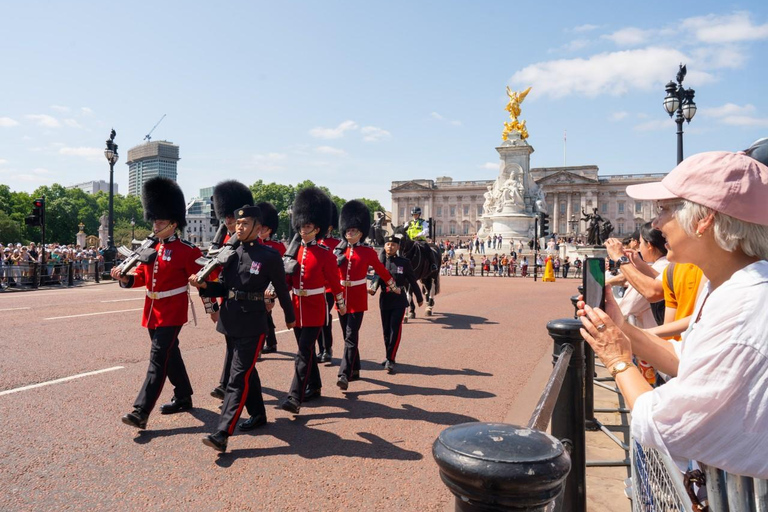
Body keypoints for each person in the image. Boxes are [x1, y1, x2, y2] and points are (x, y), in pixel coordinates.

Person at [578, 150, 768, 478]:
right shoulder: (729, 284)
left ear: (704, 219)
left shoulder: (746, 306)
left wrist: (618, 360)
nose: (655, 223)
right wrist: (621, 328)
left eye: (665, 209)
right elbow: (685, 358)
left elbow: (666, 424)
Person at [190, 205, 294, 452]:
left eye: (245, 223)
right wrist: (204, 286)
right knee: (246, 371)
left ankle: (222, 432)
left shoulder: (269, 256)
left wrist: (290, 317)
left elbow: (281, 288)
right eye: (238, 223)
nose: (239, 227)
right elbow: (222, 287)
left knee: (237, 378)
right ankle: (258, 414)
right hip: (230, 320)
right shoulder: (230, 253)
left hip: (253, 322)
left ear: (258, 228)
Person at [112, 177, 203, 430]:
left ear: (173, 224)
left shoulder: (187, 250)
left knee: (157, 358)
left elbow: (207, 278)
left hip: (172, 312)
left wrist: (212, 306)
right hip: (152, 311)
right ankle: (183, 395)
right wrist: (126, 279)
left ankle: (141, 411)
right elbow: (143, 276)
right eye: (154, 221)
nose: (156, 225)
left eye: (161, 222)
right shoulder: (151, 248)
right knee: (170, 354)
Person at [280, 188, 347, 414]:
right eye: (301, 225)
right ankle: (315, 386)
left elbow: (335, 283)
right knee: (306, 352)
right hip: (296, 308)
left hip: (315, 309)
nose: (303, 229)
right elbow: (287, 280)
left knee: (302, 352)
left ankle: (294, 397)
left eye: (307, 226)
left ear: (317, 229)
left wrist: (340, 304)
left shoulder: (326, 254)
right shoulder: (293, 253)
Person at [335, 200, 400, 390]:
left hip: (357, 299)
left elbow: (381, 270)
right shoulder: (339, 251)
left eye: (353, 230)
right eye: (348, 230)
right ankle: (355, 368)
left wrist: (392, 285)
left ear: (361, 233)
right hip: (341, 298)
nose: (349, 233)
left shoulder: (367, 251)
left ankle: (344, 374)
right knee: (347, 336)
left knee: (350, 336)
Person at [208, 180, 255, 401]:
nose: (228, 220)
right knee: (231, 344)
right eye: (225, 216)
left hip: (246, 302)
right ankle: (227, 384)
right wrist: (211, 306)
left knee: (240, 349)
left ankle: (229, 386)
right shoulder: (223, 241)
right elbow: (211, 275)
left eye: (231, 216)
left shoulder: (249, 241)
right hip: (226, 299)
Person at [369, 234, 422, 374]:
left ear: (398, 247)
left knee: (395, 330)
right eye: (388, 244)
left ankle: (390, 359)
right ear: (384, 246)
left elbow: (412, 280)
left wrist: (419, 297)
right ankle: (388, 355)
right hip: (385, 299)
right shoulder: (380, 262)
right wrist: (372, 289)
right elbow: (377, 279)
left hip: (399, 299)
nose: (390, 247)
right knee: (386, 330)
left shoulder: (404, 262)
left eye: (393, 245)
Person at [257, 201, 287, 355]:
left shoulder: (278, 246)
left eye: (264, 228)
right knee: (265, 315)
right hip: (257, 285)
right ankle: (272, 342)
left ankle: (260, 346)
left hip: (270, 286)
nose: (261, 230)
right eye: (260, 227)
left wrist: (272, 290)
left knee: (263, 315)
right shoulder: (254, 244)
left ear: (270, 230)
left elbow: (282, 270)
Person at [318, 201, 341, 364]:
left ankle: (327, 348)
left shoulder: (337, 244)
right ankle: (320, 349)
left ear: (330, 227)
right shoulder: (314, 244)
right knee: (315, 320)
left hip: (328, 289)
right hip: (314, 288)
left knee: (325, 318)